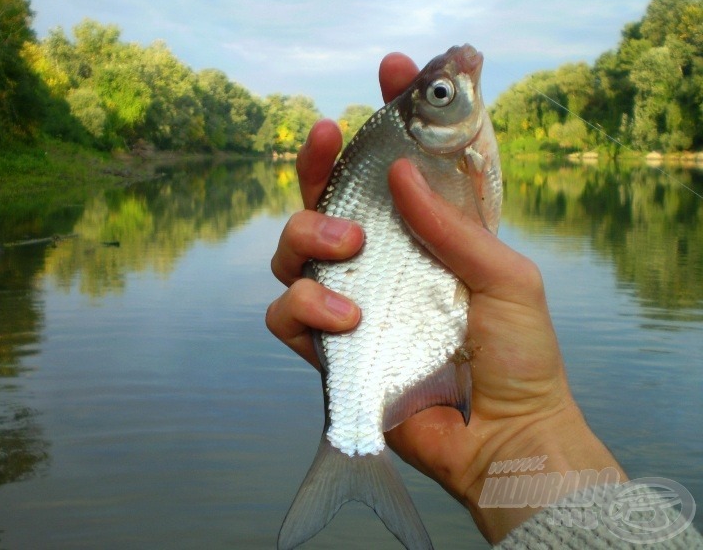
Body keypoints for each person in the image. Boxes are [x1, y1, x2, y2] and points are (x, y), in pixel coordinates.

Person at [265, 53, 702, 548]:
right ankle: (353, 438)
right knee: (330, 269)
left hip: (458, 376)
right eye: (441, 93)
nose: (463, 72)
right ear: (418, 124)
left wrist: (521, 431)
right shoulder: (438, 150)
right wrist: (522, 435)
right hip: (422, 352)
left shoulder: (447, 150)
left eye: (442, 93)